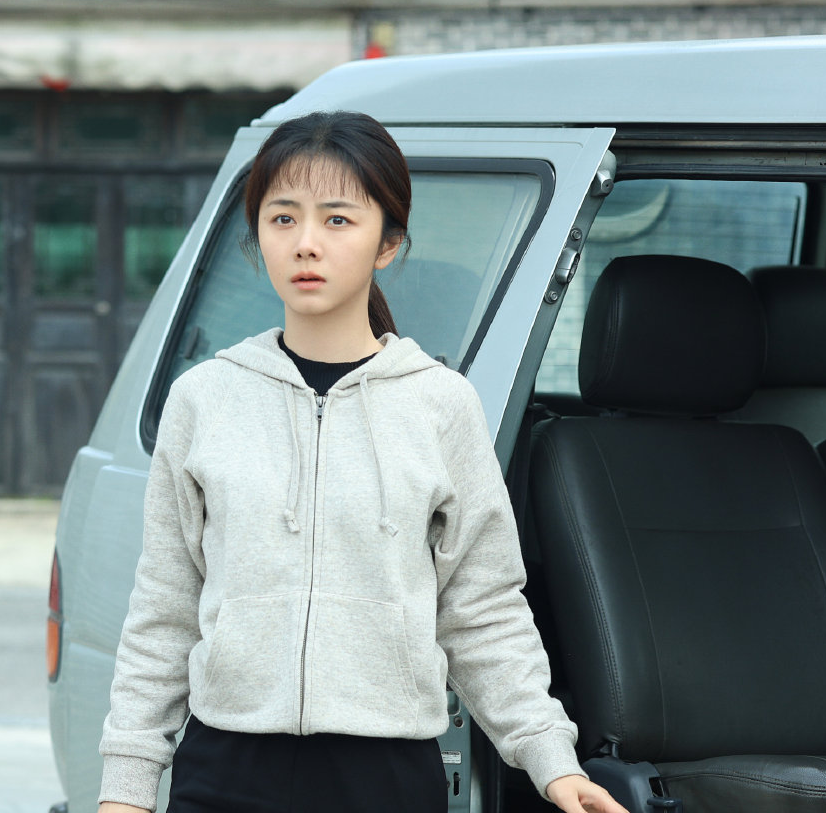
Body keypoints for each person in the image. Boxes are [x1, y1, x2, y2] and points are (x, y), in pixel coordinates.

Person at [96, 112, 629, 813]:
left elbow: (482, 610)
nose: (306, 242)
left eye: (338, 219)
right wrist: (126, 790)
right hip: (224, 769)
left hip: (385, 777)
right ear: (257, 237)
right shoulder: (205, 399)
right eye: (283, 218)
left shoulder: (440, 405)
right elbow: (164, 612)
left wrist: (552, 761)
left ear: (389, 242)